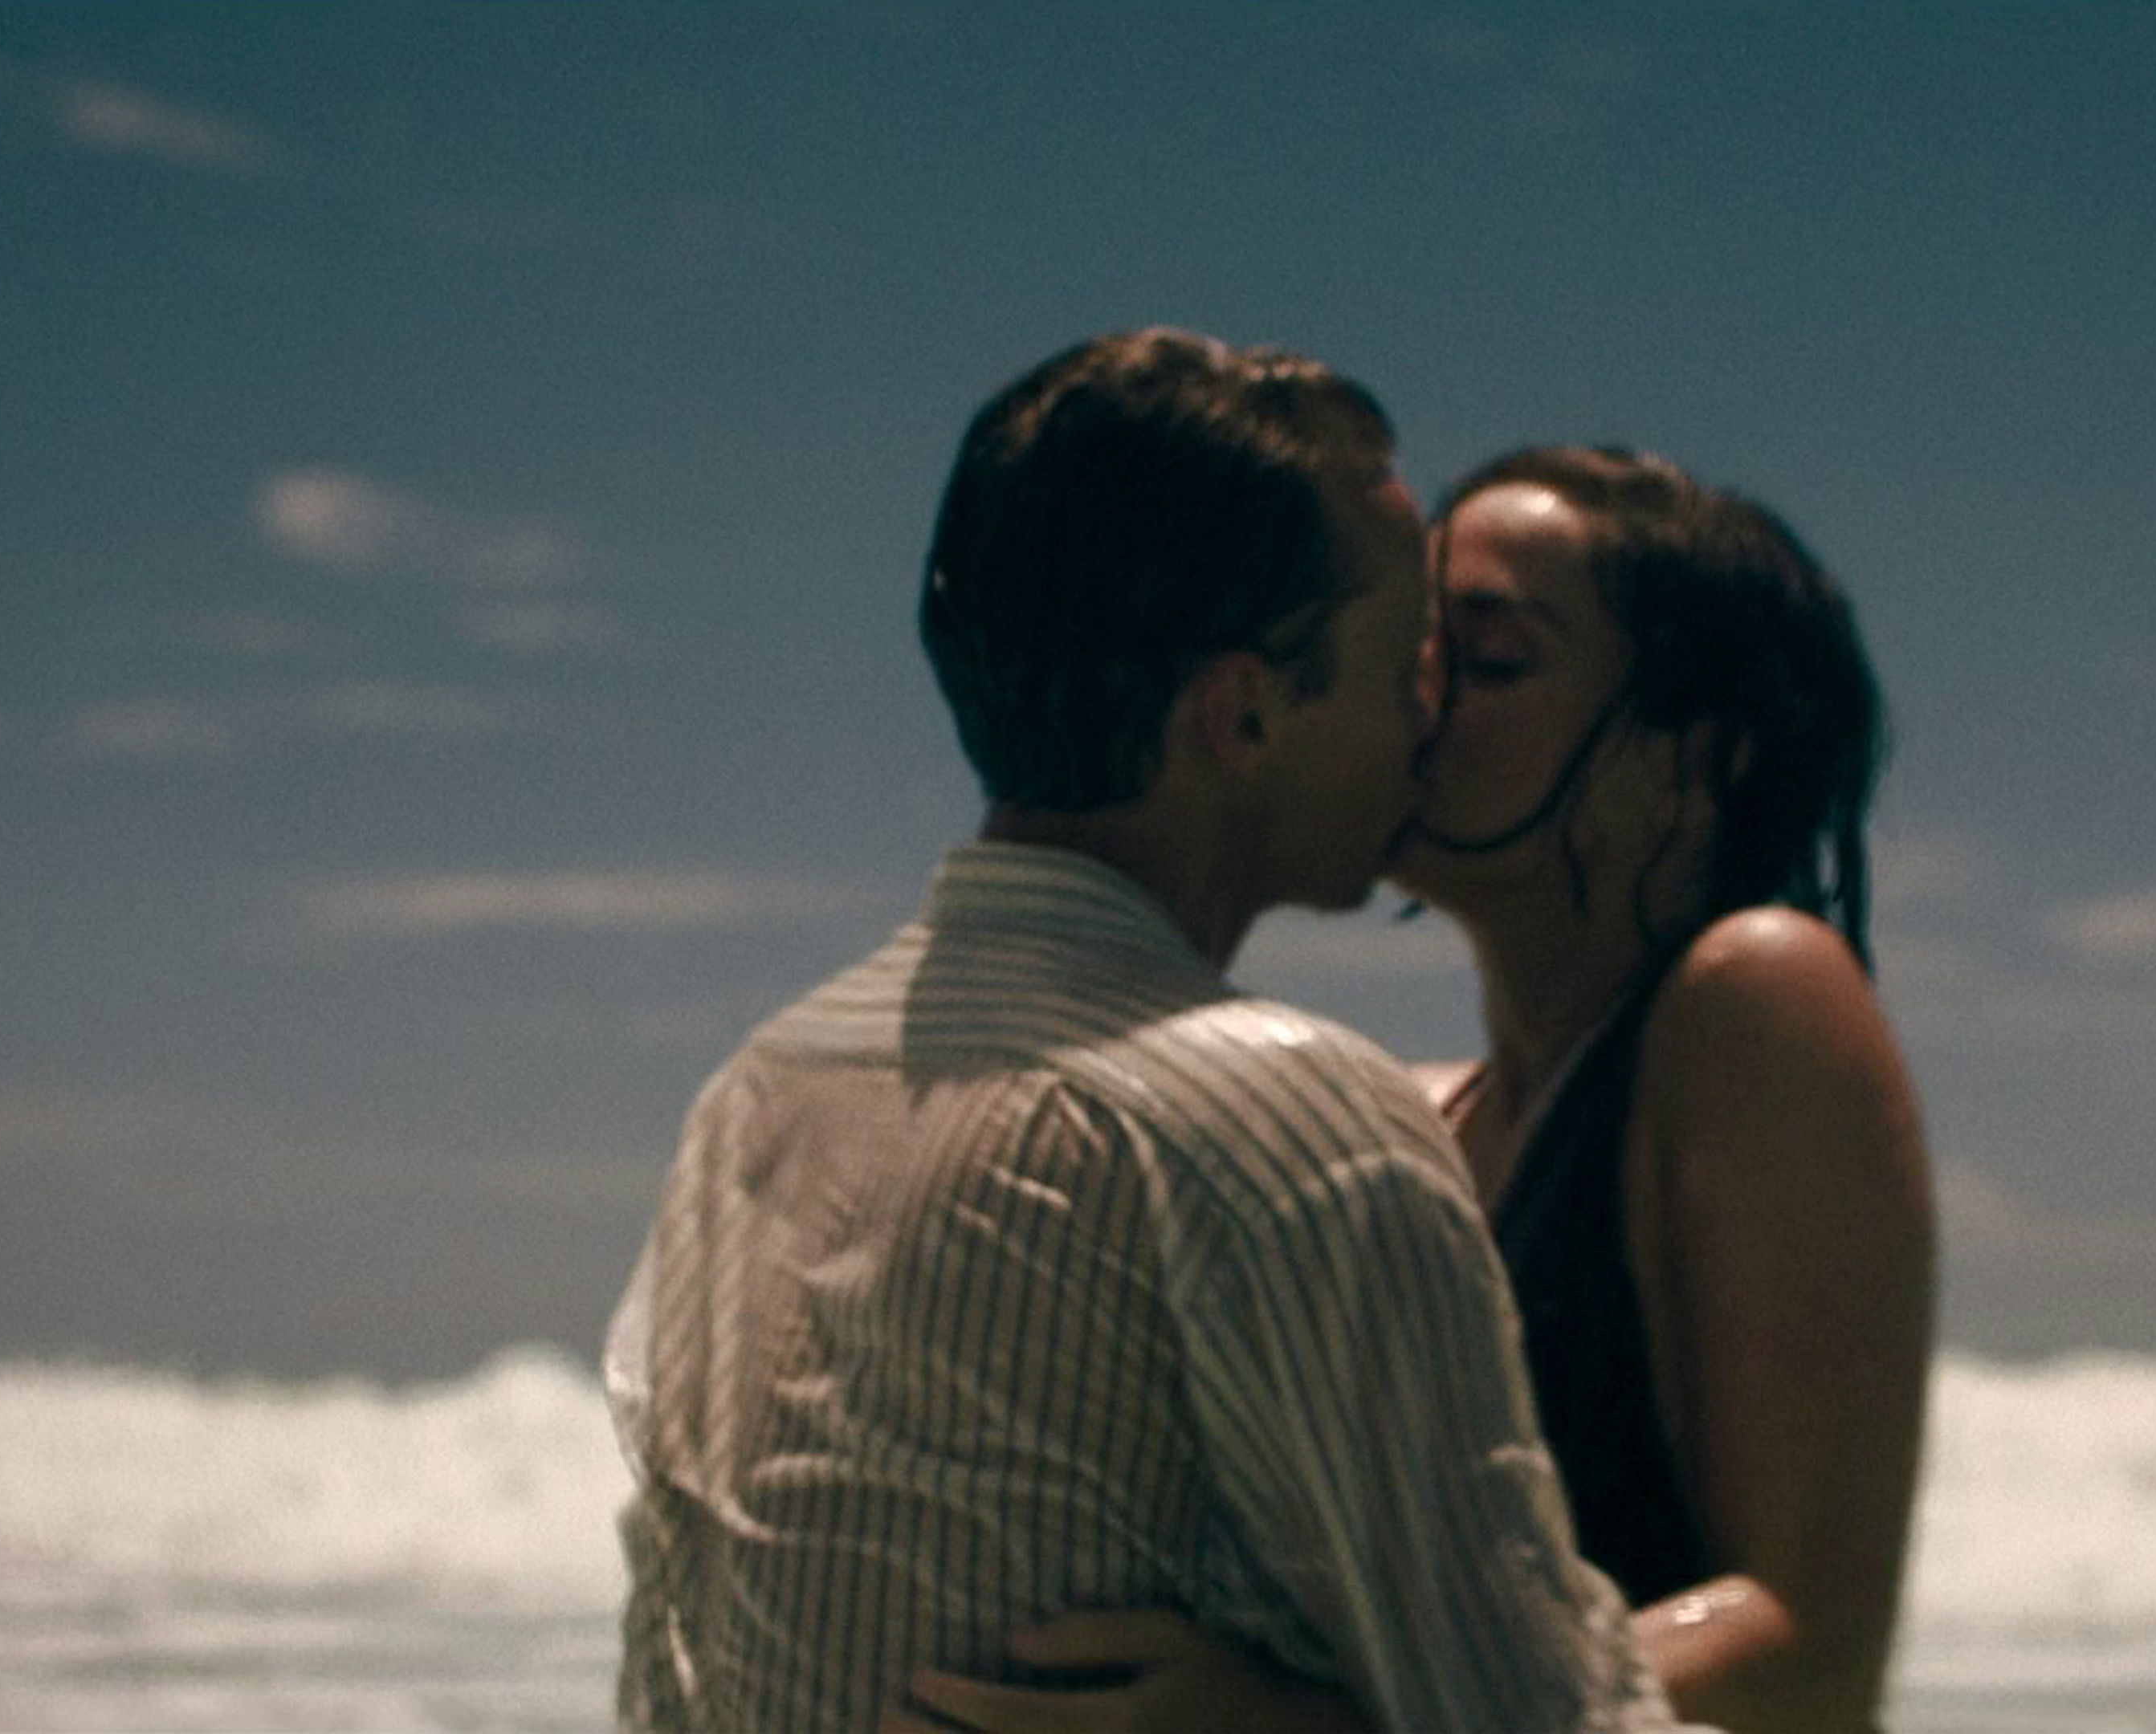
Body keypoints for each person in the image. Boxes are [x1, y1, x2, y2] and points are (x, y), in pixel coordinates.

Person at [605, 333, 1679, 1733]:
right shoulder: (1288, 1125)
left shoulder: (762, 1088)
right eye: (1403, 660)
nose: (1431, 711)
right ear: (1244, 716)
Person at [902, 446, 1937, 1734]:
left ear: (1691, 759)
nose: (1414, 697)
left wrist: (1302, 1723)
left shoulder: (1752, 997)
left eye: (1489, 663)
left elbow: (1812, 1656)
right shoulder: (1405, 1118)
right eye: (1406, 646)